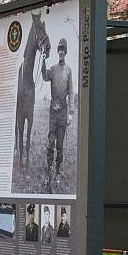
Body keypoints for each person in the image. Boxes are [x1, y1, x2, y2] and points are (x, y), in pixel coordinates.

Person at [41, 37, 73, 190]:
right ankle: (48, 171)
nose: (61, 51)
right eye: (59, 49)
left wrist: (71, 112)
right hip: (53, 111)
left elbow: (71, 92)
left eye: (63, 49)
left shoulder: (68, 70)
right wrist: (42, 60)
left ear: (65, 52)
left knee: (60, 145)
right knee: (50, 142)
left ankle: (58, 171)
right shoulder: (52, 69)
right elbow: (44, 76)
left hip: (63, 111)